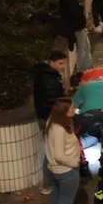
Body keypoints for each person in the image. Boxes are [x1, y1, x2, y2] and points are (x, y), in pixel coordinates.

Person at [45, 98, 87, 204]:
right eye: (70, 108)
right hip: (66, 171)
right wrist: (75, 162)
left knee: (57, 198)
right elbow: (59, 155)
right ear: (63, 111)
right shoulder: (59, 129)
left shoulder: (53, 123)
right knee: (65, 202)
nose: (74, 109)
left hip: (55, 170)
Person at [33, 50, 68, 194]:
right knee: (52, 151)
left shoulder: (46, 75)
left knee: (52, 150)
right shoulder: (50, 80)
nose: (63, 66)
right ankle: (48, 184)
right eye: (60, 63)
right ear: (51, 62)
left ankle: (49, 183)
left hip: (46, 117)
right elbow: (54, 102)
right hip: (50, 118)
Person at [71, 71, 103, 147]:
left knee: (75, 134)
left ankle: (79, 156)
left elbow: (73, 105)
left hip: (89, 113)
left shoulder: (85, 86)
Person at [58, 0, 92, 72]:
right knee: (82, 48)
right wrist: (80, 9)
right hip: (76, 27)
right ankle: (82, 70)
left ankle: (87, 67)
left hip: (79, 26)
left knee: (86, 46)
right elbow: (74, 12)